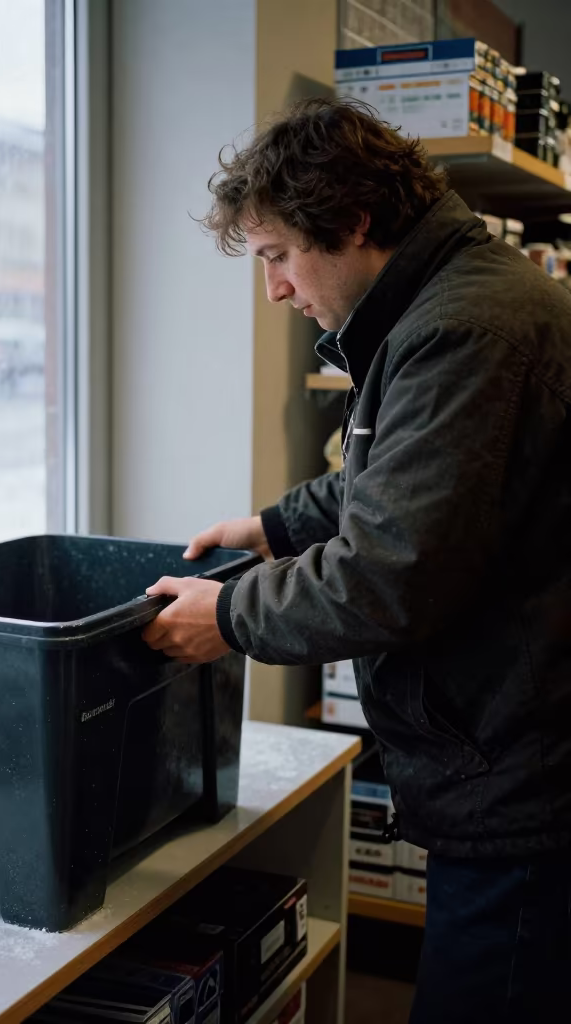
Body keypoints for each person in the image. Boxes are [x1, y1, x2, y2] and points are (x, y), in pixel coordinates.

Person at [142, 97, 571, 1023]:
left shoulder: (467, 330)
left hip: (526, 790)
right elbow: (412, 482)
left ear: (355, 222)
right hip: (509, 767)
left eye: (279, 257)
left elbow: (391, 569)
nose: (276, 290)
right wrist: (274, 527)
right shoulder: (447, 305)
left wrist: (225, 618)